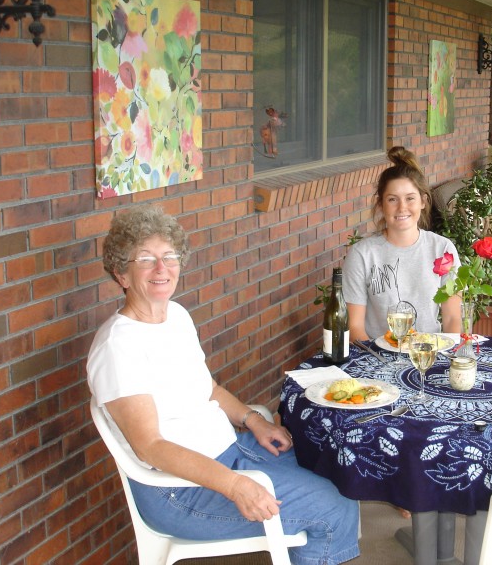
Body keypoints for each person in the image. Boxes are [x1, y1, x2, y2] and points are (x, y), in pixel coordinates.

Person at [87, 205, 359, 565]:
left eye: (169, 256)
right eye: (145, 259)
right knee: (332, 508)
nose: (161, 268)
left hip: (231, 450)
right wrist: (234, 485)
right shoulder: (118, 347)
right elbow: (151, 447)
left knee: (337, 466)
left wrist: (253, 420)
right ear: (122, 274)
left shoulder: (176, 316)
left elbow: (209, 390)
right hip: (181, 491)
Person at [343, 146, 462, 341]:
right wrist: (377, 363)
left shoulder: (442, 250)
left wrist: (447, 356)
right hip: (379, 358)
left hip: (428, 354)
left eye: (410, 198)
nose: (402, 208)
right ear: (381, 204)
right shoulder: (362, 254)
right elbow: (354, 327)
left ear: (423, 201)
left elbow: (452, 318)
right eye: (392, 199)